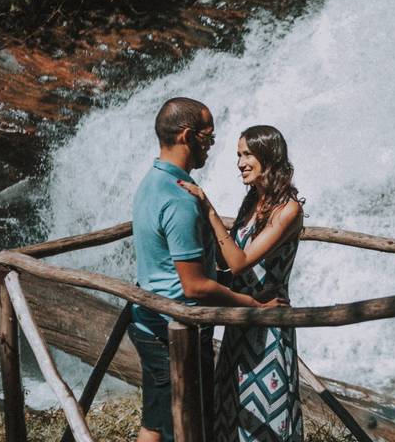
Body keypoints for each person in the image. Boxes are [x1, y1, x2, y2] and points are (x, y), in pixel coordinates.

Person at [129, 98, 282, 442]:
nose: (211, 148)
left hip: (147, 321)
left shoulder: (151, 181)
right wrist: (252, 306)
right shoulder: (180, 199)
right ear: (187, 136)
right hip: (175, 332)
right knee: (186, 429)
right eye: (208, 139)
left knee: (154, 423)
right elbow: (195, 286)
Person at [177, 124, 305, 442]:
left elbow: (239, 261)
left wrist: (207, 208)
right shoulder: (252, 202)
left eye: (248, 154)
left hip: (268, 322)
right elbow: (227, 261)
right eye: (238, 155)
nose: (240, 163)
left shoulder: (289, 210)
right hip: (240, 319)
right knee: (231, 412)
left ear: (268, 156)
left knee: (266, 415)